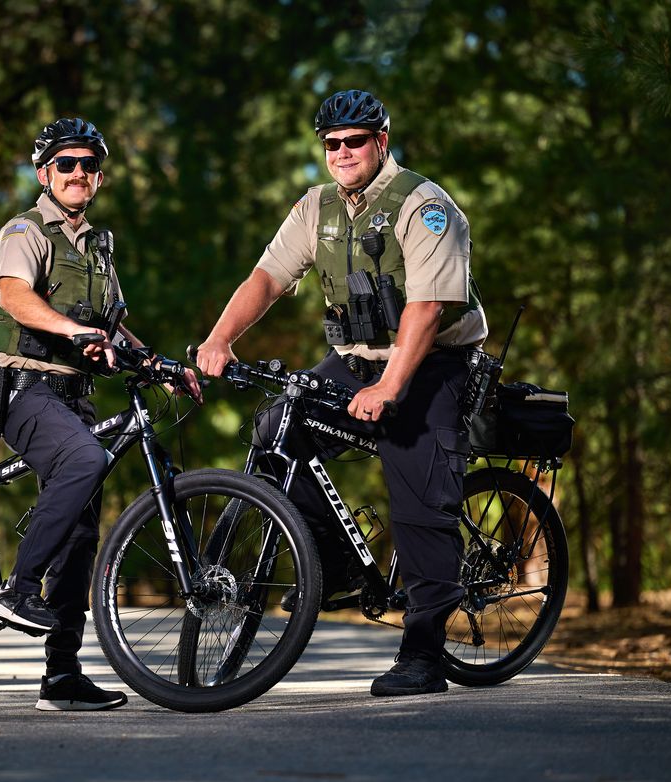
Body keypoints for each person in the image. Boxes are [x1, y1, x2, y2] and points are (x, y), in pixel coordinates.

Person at [195, 90, 487, 697]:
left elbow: (428, 308)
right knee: (279, 427)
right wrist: (219, 339)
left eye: (356, 141)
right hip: (355, 361)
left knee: (417, 497)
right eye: (332, 143)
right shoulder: (317, 208)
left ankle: (425, 653)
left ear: (382, 141)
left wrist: (390, 384)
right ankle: (330, 563)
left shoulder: (426, 207)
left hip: (431, 363)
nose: (343, 152)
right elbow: (267, 278)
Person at [0, 117, 201, 711]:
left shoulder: (96, 249)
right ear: (44, 172)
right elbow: (15, 297)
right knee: (86, 460)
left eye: (88, 165)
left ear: (98, 176)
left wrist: (157, 364)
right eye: (66, 164)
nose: (78, 173)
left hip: (74, 398)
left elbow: (111, 330)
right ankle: (18, 589)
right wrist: (72, 329)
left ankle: (61, 675)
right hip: (27, 391)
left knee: (81, 531)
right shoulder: (25, 232)